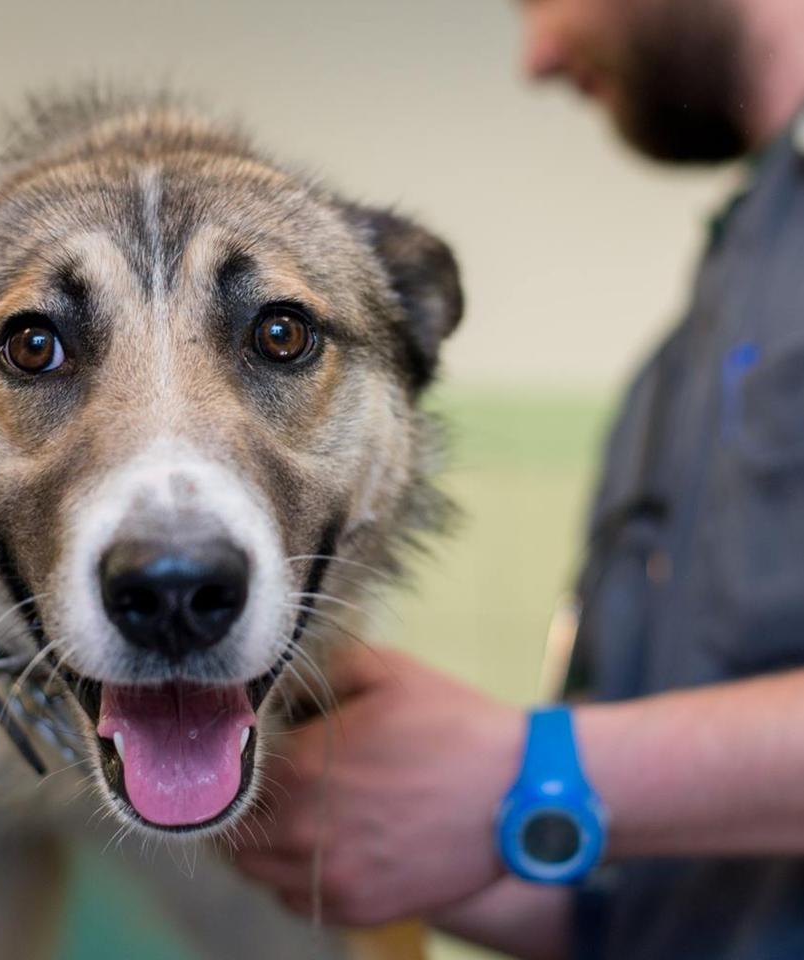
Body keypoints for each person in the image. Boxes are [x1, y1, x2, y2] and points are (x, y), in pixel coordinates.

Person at [233, 1, 804, 958]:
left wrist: (531, 768)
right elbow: (640, 908)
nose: (534, 57)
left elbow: (578, 783)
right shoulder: (685, 355)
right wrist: (345, 815)